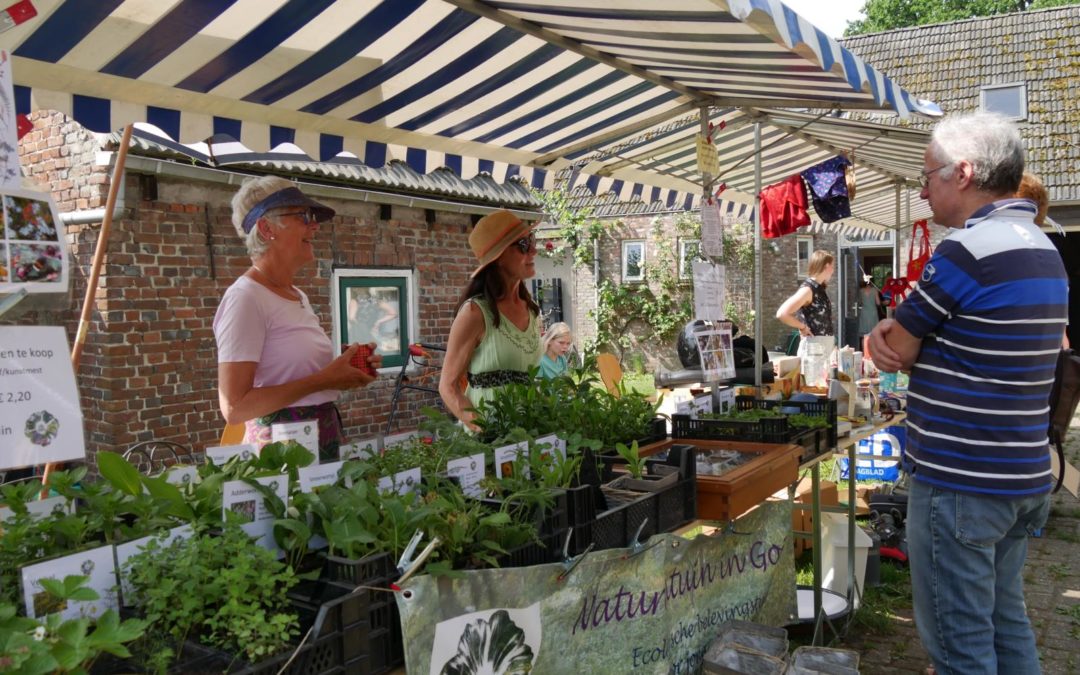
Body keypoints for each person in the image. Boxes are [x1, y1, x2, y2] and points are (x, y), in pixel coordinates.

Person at [869, 112, 1068, 675]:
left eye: (929, 174)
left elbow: (898, 347)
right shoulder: (1040, 244)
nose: (924, 188)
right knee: (1008, 626)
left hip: (962, 478)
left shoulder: (967, 251)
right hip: (1019, 473)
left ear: (963, 173)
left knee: (961, 650)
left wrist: (888, 336)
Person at [213, 176, 381, 461]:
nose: (314, 226)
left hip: (319, 440)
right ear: (267, 228)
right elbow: (235, 407)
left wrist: (346, 371)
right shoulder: (245, 298)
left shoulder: (296, 295)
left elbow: (300, 376)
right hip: (282, 456)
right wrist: (323, 380)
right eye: (304, 217)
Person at [440, 210, 542, 432]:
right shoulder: (475, 313)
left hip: (528, 431)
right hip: (490, 441)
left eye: (532, 240)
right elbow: (447, 387)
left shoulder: (532, 311)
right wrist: (485, 432)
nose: (534, 250)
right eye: (523, 244)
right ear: (498, 257)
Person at [776, 250, 835, 360]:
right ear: (827, 266)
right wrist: (802, 327)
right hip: (813, 349)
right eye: (832, 266)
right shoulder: (808, 289)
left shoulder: (819, 288)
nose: (833, 270)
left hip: (822, 348)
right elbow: (782, 313)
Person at [856, 277, 881, 345]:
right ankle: (872, 352)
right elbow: (878, 302)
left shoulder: (861, 291)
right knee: (873, 334)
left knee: (864, 336)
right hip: (873, 312)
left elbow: (859, 302)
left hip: (864, 313)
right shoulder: (875, 290)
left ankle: (865, 352)